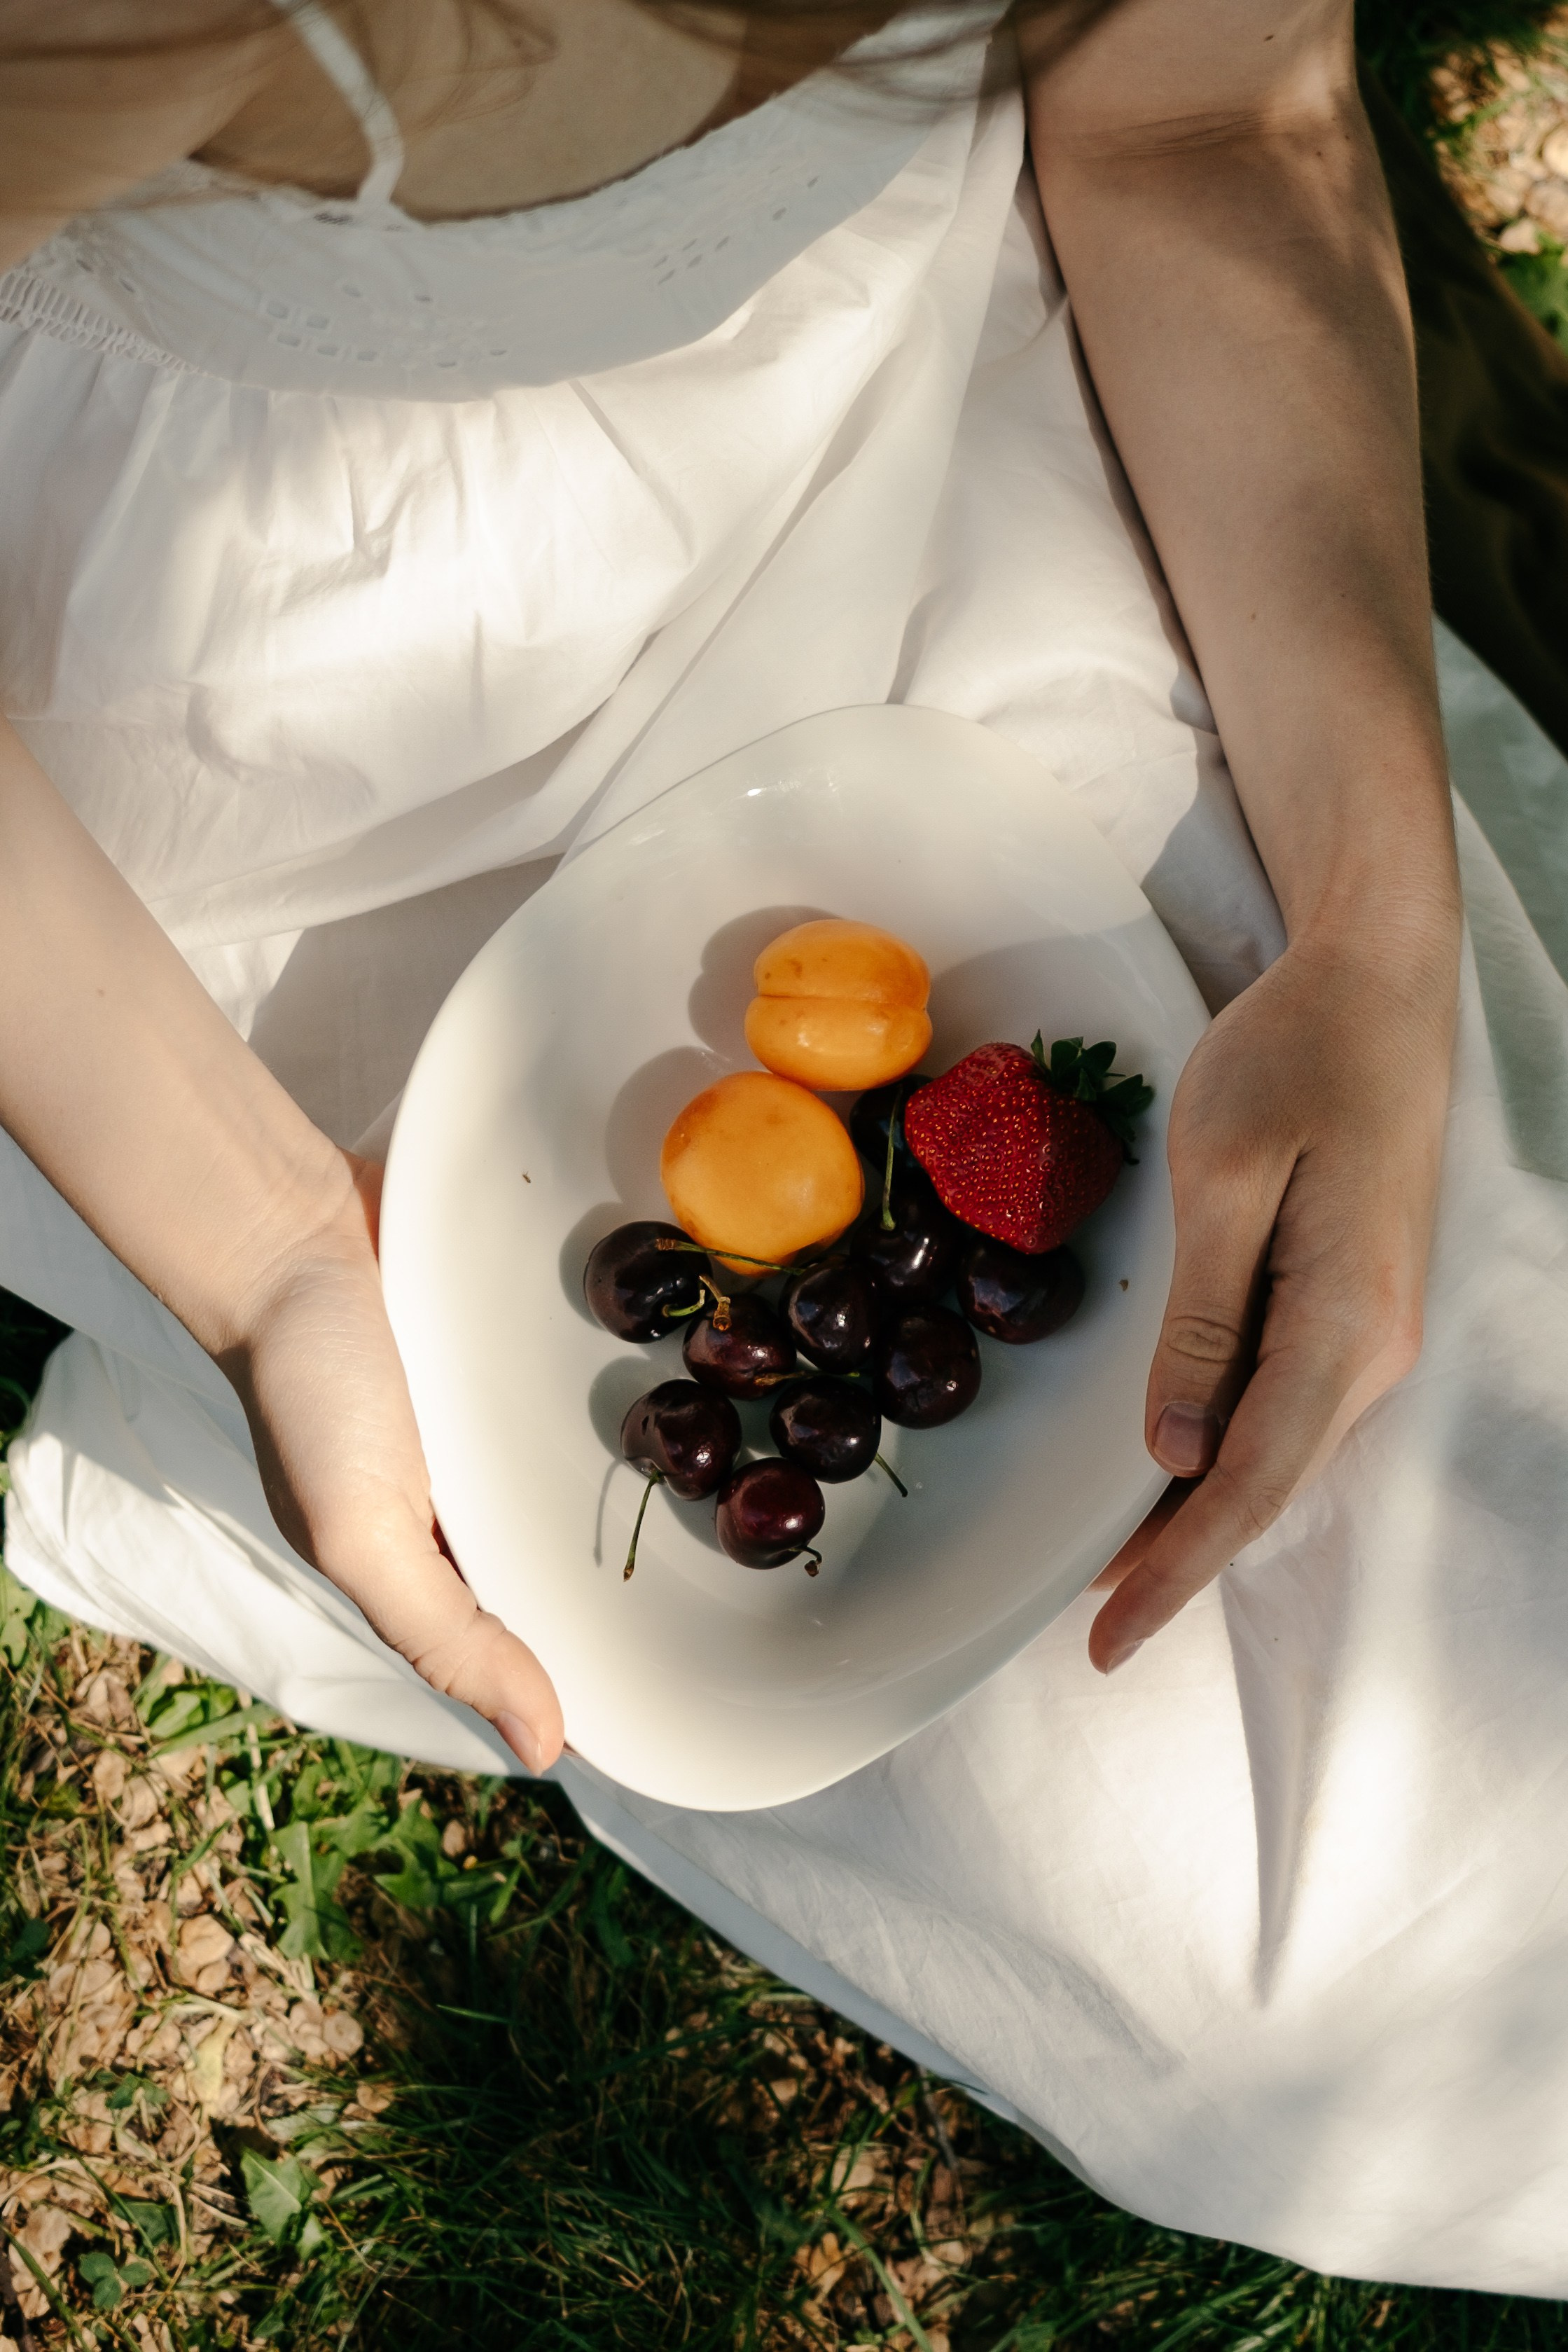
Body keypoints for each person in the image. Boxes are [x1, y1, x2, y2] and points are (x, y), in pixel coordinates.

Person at [1, 0, 1566, 2295]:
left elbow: (1205, 102)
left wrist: (1373, 939)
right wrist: (258, 1254)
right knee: (1310, 1954)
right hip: (237, 803)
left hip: (896, 475)